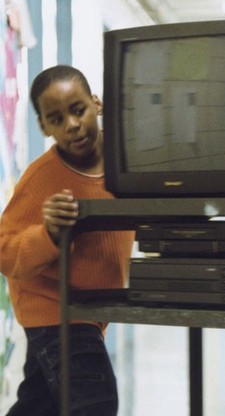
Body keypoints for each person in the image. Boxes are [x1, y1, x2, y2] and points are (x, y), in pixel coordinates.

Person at [0, 65, 134, 415]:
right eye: (56, 119)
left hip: (92, 305)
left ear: (97, 104)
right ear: (44, 127)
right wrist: (49, 235)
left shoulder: (126, 160)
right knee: (96, 401)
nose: (72, 125)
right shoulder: (42, 179)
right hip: (52, 307)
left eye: (78, 110)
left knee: (39, 405)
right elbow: (4, 250)